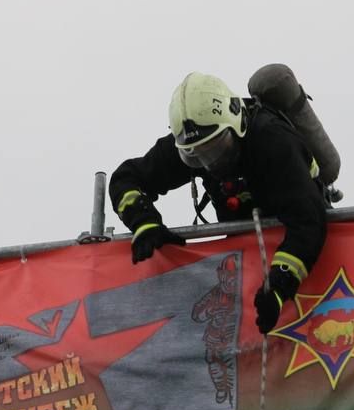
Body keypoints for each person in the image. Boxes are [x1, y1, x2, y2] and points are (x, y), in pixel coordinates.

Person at [109, 69, 328, 334]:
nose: (210, 164)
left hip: (307, 250)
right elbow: (125, 178)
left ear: (235, 122)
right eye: (197, 157)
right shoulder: (194, 139)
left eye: (215, 149)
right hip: (244, 256)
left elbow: (308, 220)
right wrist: (144, 223)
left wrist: (280, 285)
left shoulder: (273, 141)